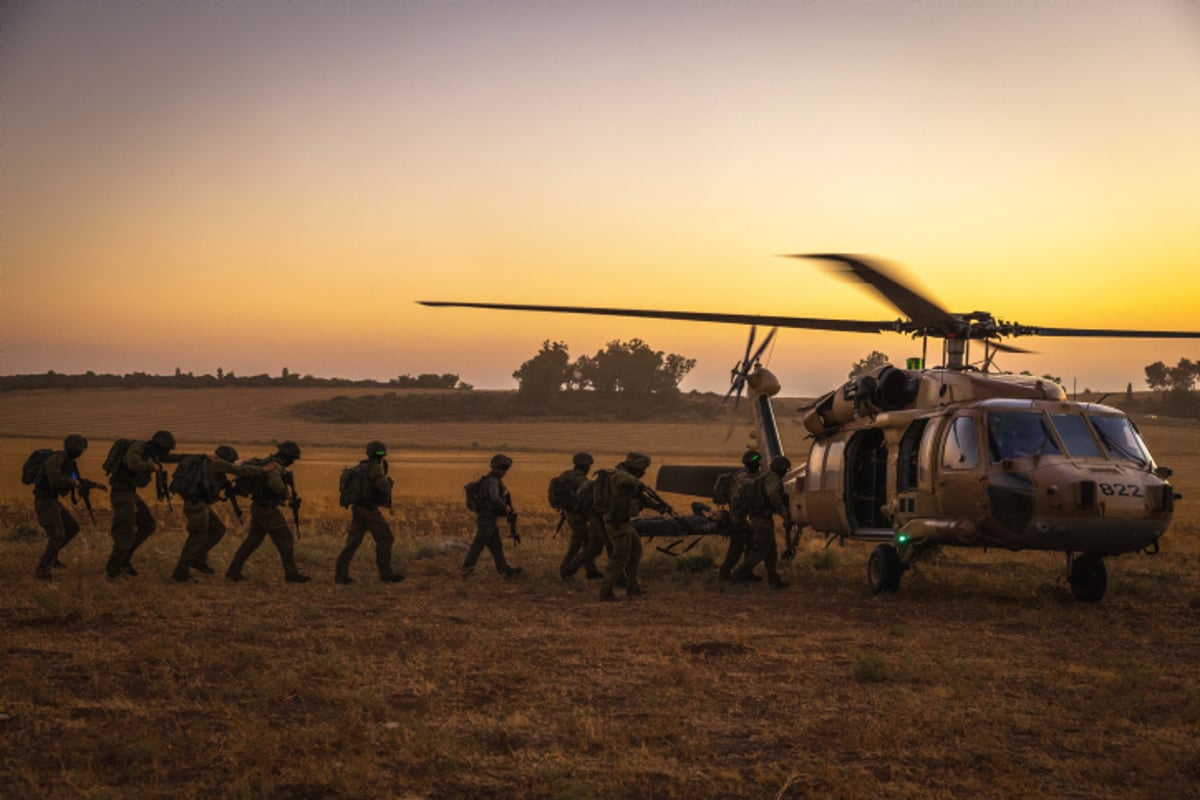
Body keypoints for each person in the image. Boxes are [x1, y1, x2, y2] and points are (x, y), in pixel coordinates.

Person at [170, 445, 262, 582]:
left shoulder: (211, 465)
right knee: (197, 538)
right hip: (196, 505)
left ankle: (198, 559)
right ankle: (181, 572)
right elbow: (240, 470)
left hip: (201, 505)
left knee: (217, 529)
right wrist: (262, 469)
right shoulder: (217, 464)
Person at [224, 441, 311, 584]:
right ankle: (291, 575)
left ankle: (233, 571)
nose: (293, 462)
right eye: (292, 458)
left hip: (260, 507)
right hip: (267, 509)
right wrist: (288, 495)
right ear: (287, 456)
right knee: (286, 538)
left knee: (252, 541)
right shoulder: (275, 467)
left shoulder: (269, 463)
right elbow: (275, 486)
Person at [105, 430, 177, 580]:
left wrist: (202, 457)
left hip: (130, 492)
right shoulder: (139, 447)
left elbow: (173, 458)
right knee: (125, 531)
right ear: (160, 445)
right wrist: (151, 466)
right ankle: (113, 571)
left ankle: (124, 561)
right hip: (121, 493)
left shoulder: (151, 453)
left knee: (148, 525)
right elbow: (132, 463)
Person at [598, 452, 670, 601]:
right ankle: (606, 591)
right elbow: (623, 480)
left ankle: (633, 587)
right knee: (620, 557)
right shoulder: (619, 475)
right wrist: (639, 483)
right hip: (617, 523)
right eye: (643, 468)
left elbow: (642, 500)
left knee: (636, 551)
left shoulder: (629, 480)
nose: (644, 472)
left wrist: (661, 507)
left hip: (626, 523)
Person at [32, 434, 105, 580]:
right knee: (57, 535)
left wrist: (94, 485)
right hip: (45, 501)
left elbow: (76, 478)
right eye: (78, 449)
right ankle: (43, 569)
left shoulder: (69, 462)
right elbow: (55, 481)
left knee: (72, 528)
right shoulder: (56, 459)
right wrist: (72, 482)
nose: (79, 452)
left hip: (53, 501)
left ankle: (53, 558)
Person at [335, 441, 405, 584]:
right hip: (369, 511)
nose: (381, 456)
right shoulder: (375, 469)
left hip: (358, 510)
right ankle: (386, 575)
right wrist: (388, 481)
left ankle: (340, 575)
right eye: (381, 454)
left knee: (352, 543)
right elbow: (384, 488)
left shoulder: (361, 467)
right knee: (386, 538)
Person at [731, 454, 791, 590]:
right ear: (781, 469)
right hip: (762, 519)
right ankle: (737, 575)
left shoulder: (763, 477)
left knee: (771, 552)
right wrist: (782, 508)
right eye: (785, 469)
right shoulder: (773, 478)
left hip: (760, 518)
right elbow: (772, 494)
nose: (785, 472)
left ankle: (774, 581)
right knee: (760, 550)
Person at [461, 453, 522, 580]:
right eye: (503, 469)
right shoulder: (493, 481)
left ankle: (503, 569)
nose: (504, 472)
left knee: (496, 545)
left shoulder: (487, 480)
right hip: (487, 519)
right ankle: (467, 571)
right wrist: (505, 508)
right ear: (497, 468)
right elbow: (495, 498)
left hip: (488, 519)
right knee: (478, 545)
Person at [555, 452, 604, 581]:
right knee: (577, 542)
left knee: (586, 541)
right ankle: (565, 569)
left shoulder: (565, 475)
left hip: (568, 513)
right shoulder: (581, 480)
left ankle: (591, 570)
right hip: (579, 515)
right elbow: (587, 500)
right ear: (586, 467)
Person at [718, 450, 763, 583]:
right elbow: (739, 500)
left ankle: (747, 572)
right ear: (752, 464)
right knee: (737, 547)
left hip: (738, 516)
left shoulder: (741, 475)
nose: (759, 465)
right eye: (757, 462)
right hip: (737, 518)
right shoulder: (745, 479)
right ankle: (725, 574)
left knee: (750, 541)